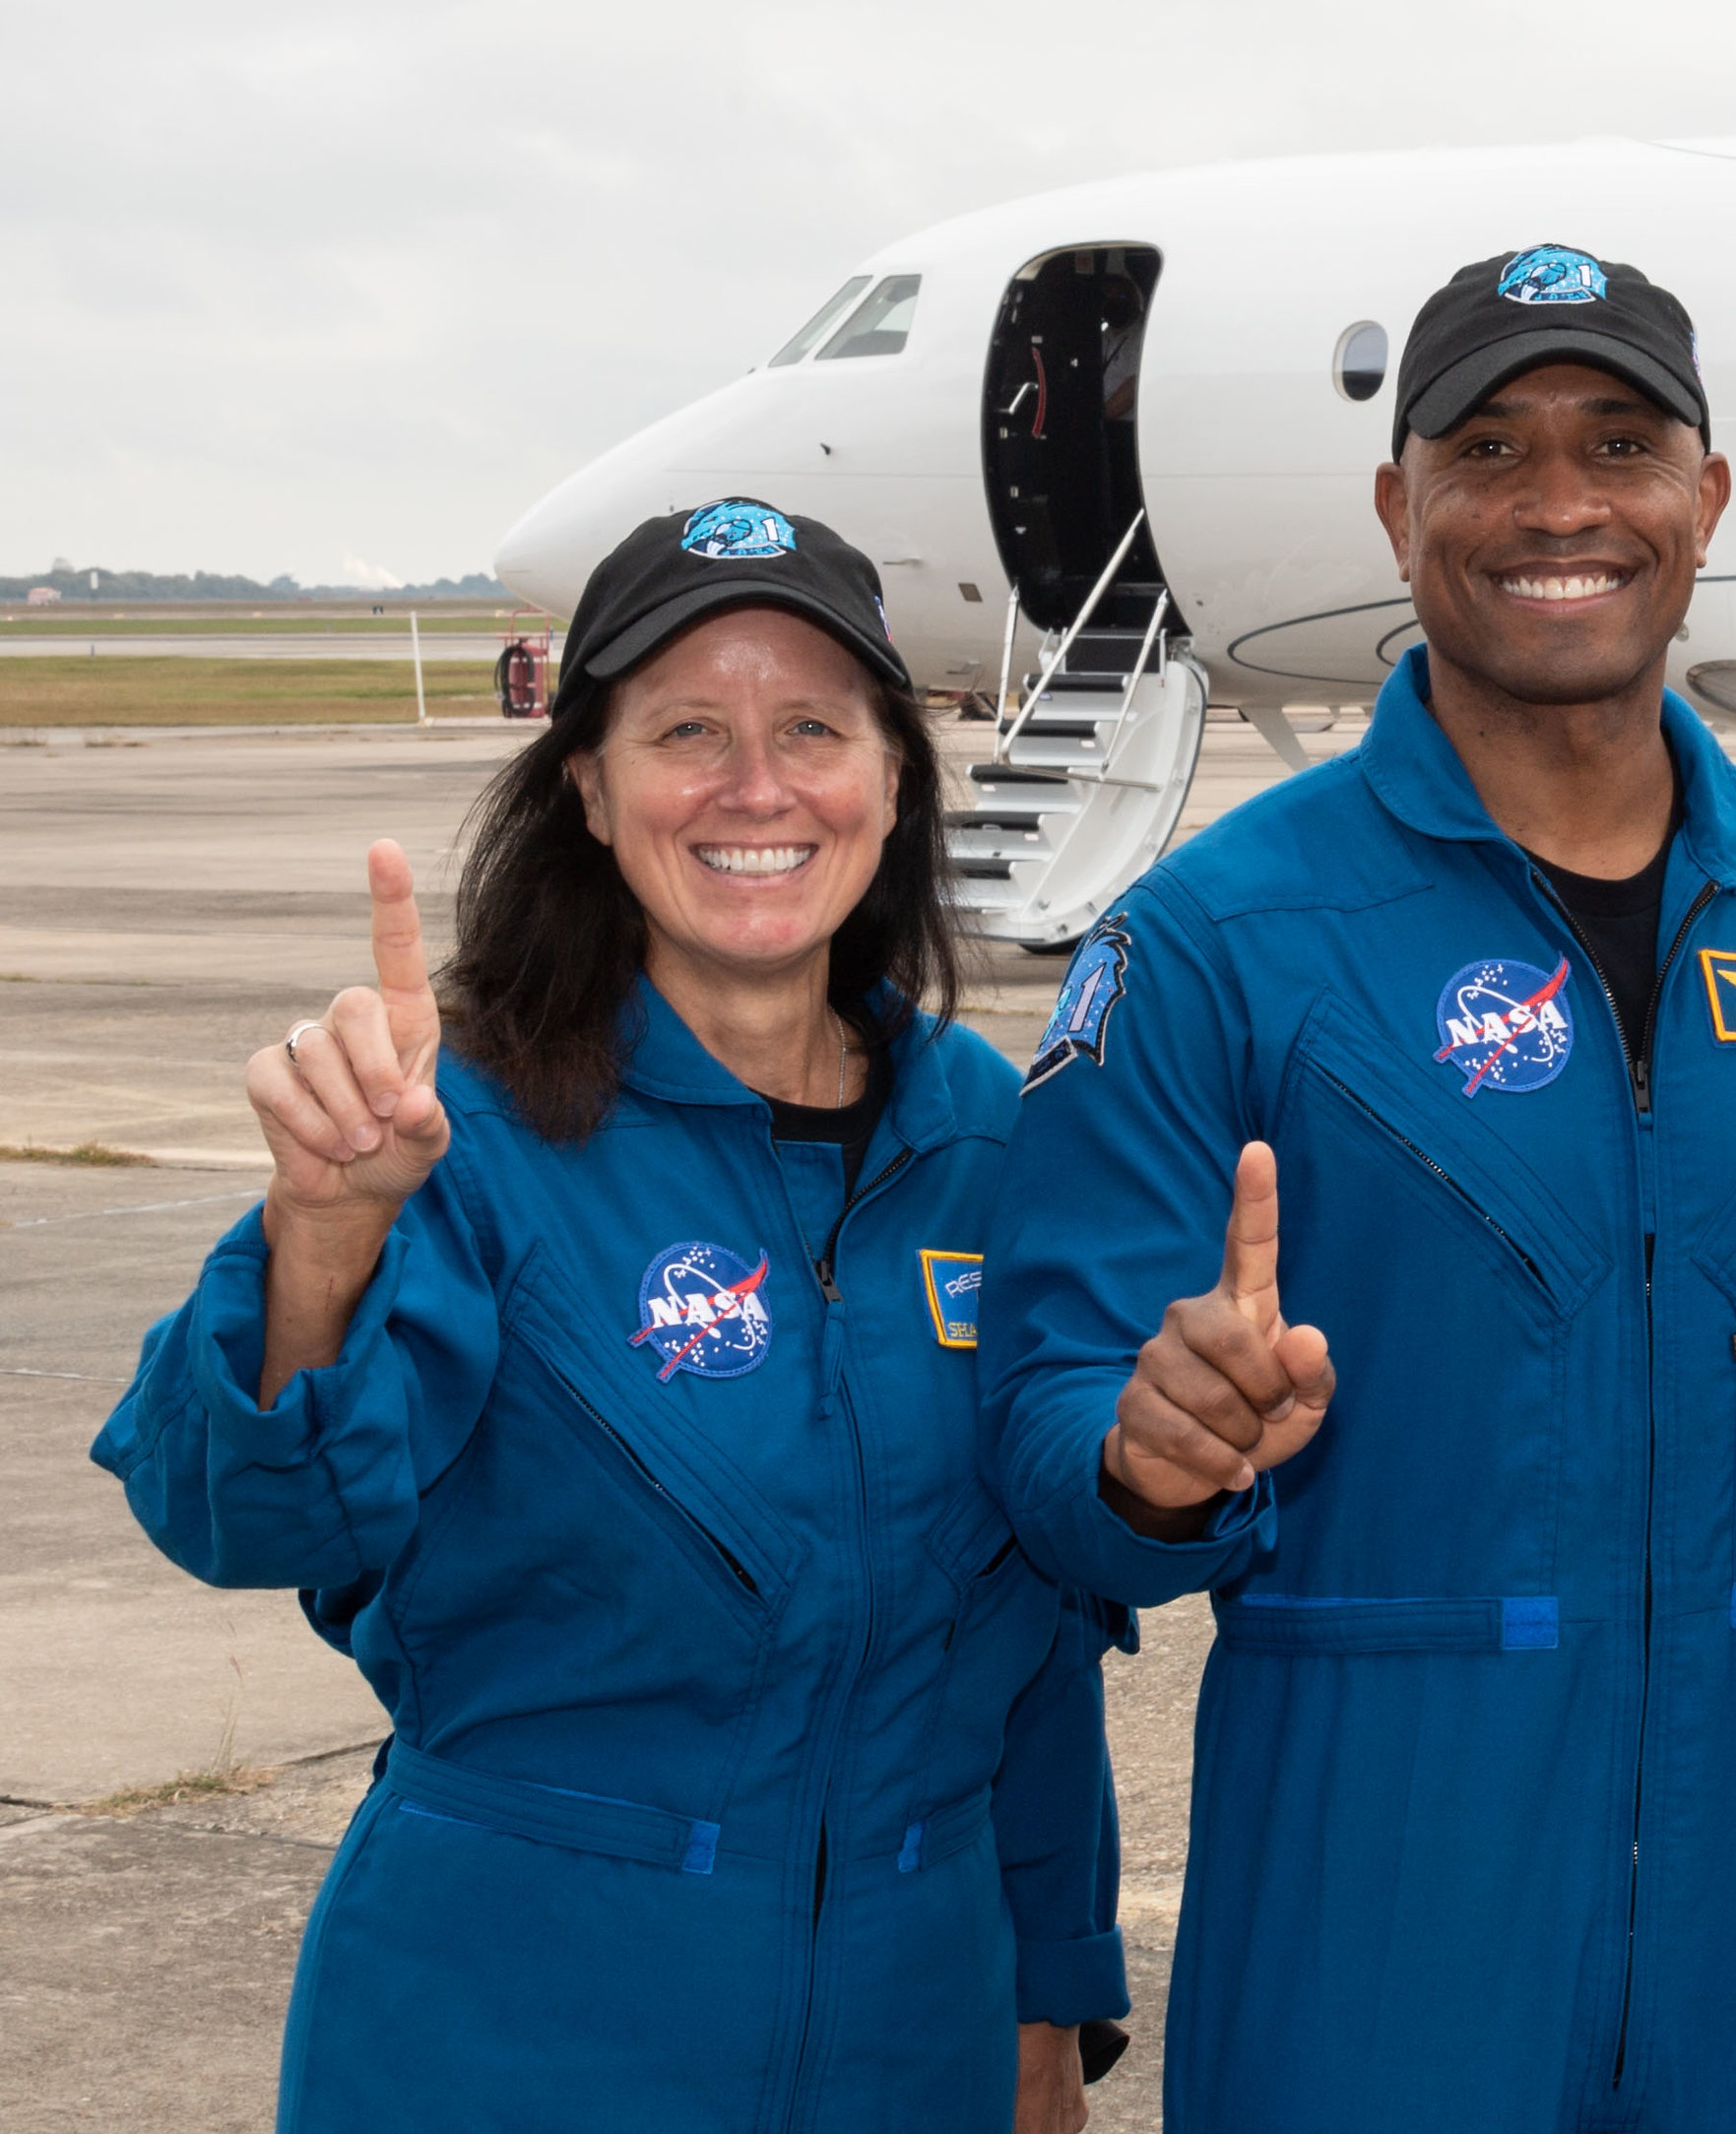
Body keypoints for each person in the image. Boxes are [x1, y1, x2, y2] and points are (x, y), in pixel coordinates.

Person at [981, 243, 1736, 2131]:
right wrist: (1142, 1454)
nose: (1559, 501)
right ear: (1397, 506)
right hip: (1377, 1895)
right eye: (1489, 447)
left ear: (1706, 498)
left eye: (1619, 441)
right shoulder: (1215, 941)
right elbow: (1045, 1421)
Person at [94, 496, 1128, 2134]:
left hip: (914, 2030)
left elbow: (1036, 1627)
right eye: (687, 731)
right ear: (588, 785)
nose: (756, 785)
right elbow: (247, 1517)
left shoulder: (987, 1139)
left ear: (891, 781)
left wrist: (1050, 1985)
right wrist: (321, 1235)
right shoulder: (458, 1132)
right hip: (516, 2025)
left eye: (811, 728)